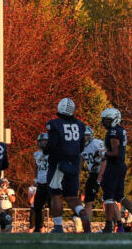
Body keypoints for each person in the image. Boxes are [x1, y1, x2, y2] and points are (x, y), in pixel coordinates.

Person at [44, 96, 92, 234]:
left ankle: (58, 226)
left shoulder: (54, 124)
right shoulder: (81, 125)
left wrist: (46, 151)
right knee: (71, 196)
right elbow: (81, 146)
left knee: (56, 194)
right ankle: (81, 212)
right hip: (74, 162)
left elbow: (52, 144)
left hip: (58, 163)